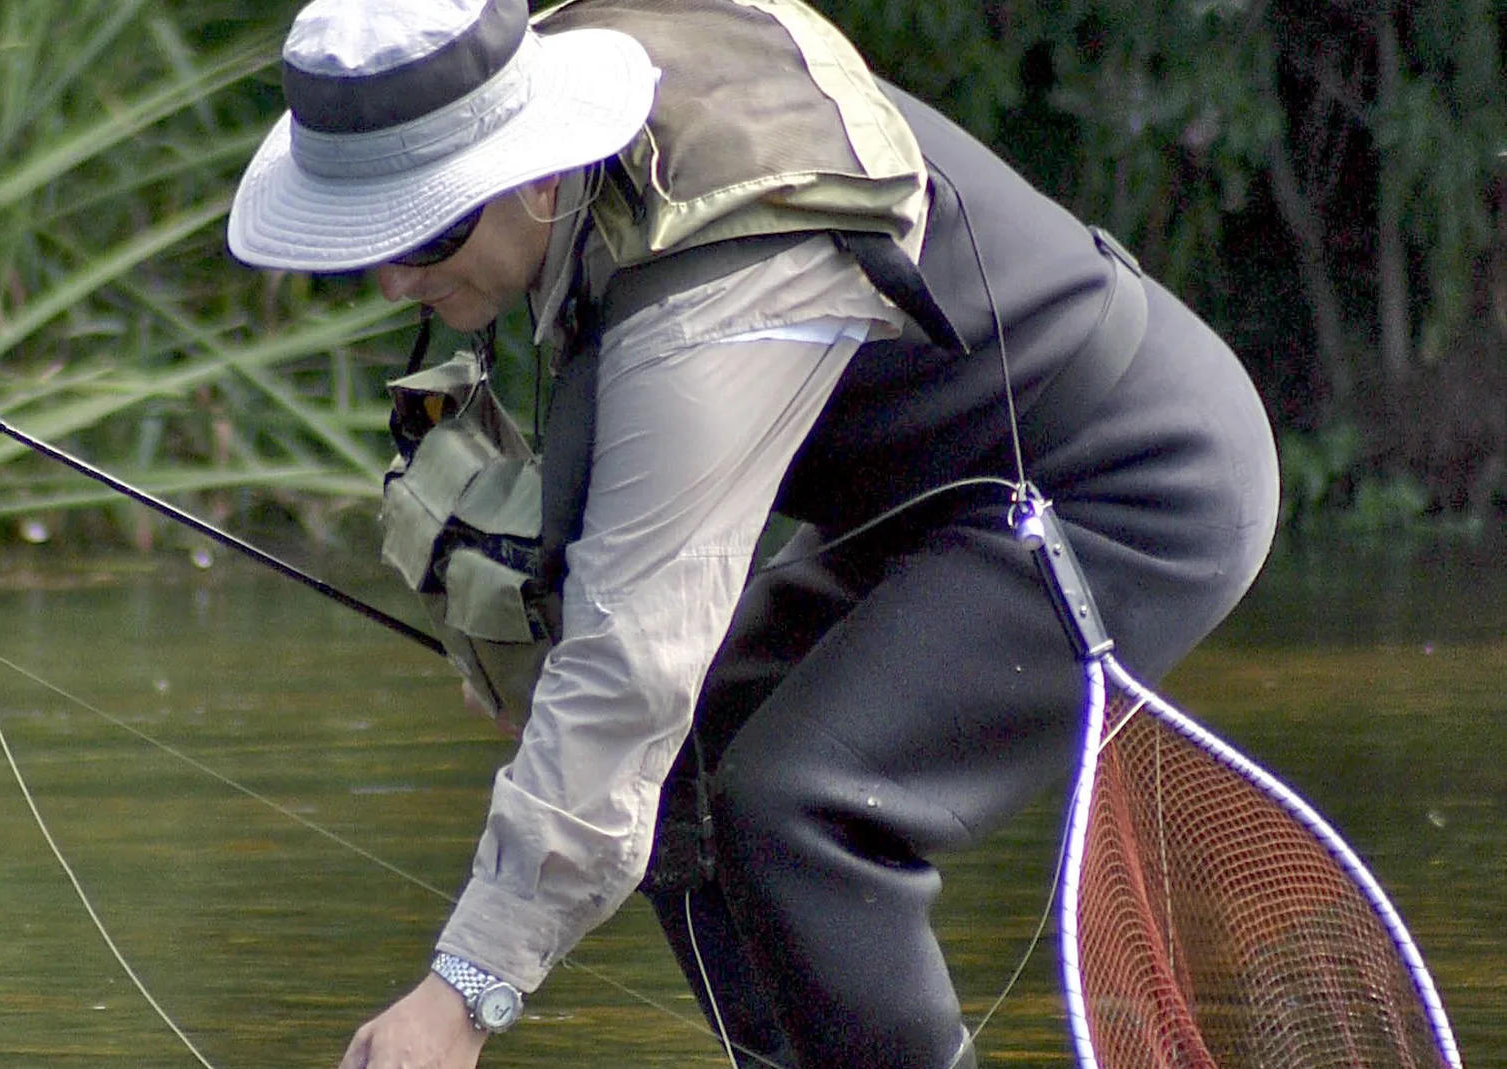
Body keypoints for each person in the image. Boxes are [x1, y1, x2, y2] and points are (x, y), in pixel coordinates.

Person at [226, 1, 1281, 1067]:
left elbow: (632, 668)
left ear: (536, 171)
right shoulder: (568, 99)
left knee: (799, 811)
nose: (394, 279)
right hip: (931, 487)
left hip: (1131, 482)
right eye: (356, 247)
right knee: (679, 768)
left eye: (420, 233)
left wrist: (464, 993)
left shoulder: (719, 291)